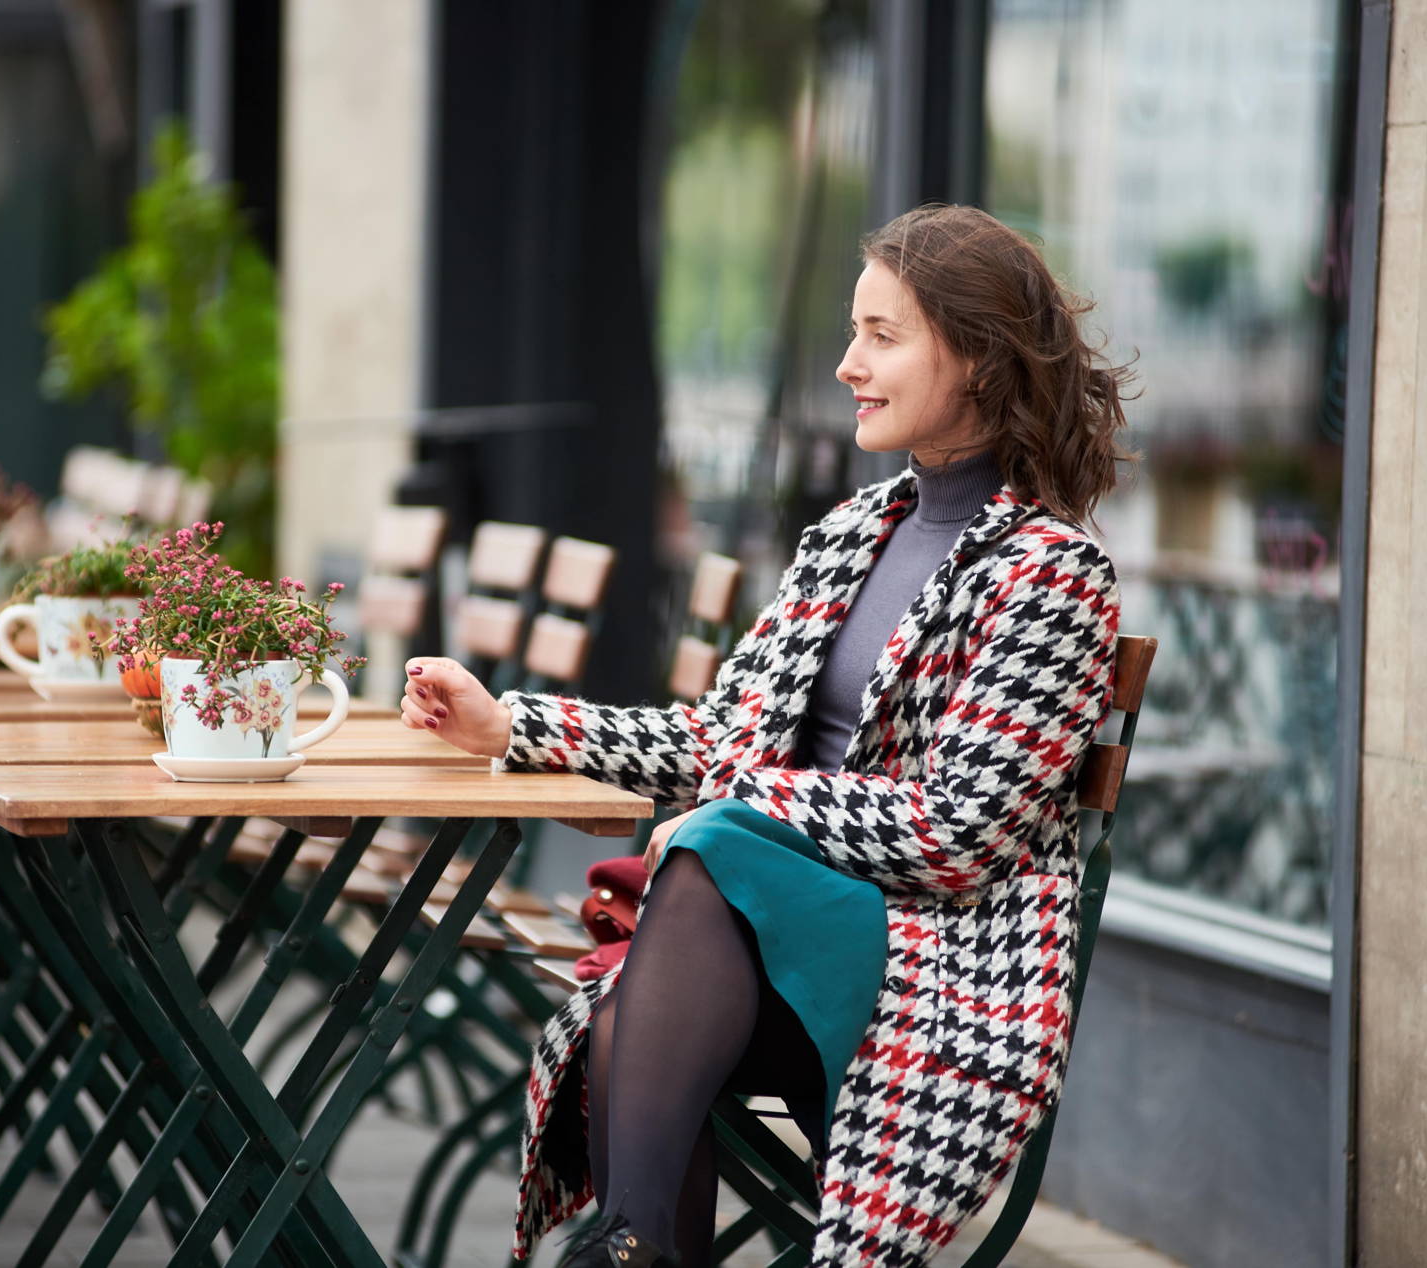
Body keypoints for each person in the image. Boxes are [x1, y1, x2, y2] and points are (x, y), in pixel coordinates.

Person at [400, 204, 1136, 1268]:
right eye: (851, 331)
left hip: (929, 972)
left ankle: (625, 1247)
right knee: (631, 1005)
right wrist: (510, 721)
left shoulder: (1052, 572)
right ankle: (636, 1247)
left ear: (975, 357)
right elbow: (720, 740)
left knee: (709, 856)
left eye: (882, 335)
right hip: (759, 950)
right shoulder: (846, 536)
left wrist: (746, 811)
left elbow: (955, 832)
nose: (846, 363)